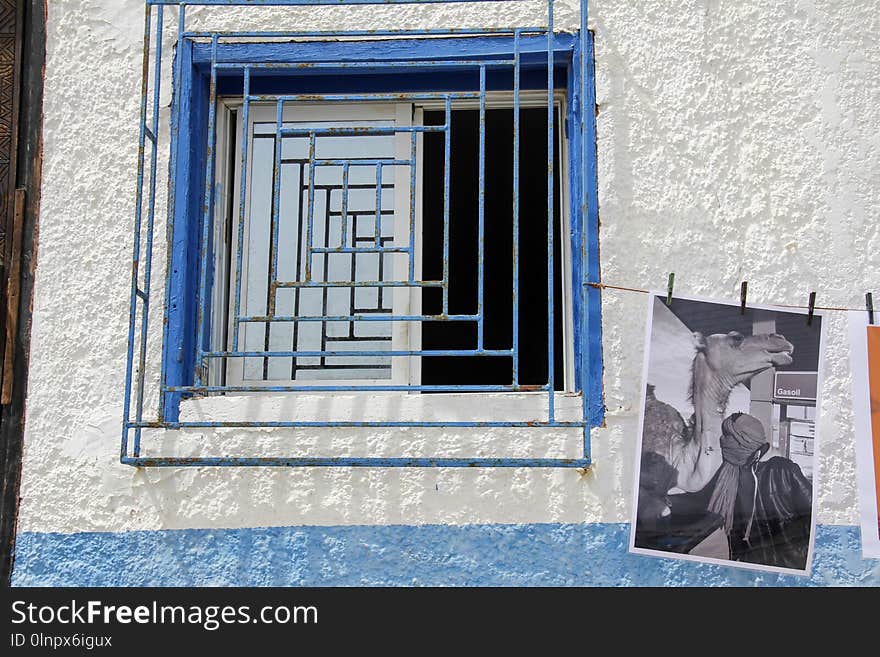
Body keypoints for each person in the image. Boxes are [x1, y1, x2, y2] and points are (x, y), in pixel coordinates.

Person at [708, 413, 813, 570]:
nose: (724, 441)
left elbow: (815, 516)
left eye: (730, 436)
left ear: (747, 441)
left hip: (788, 564)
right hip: (750, 564)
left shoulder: (783, 470)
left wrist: (801, 555)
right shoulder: (731, 472)